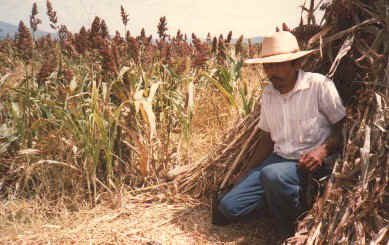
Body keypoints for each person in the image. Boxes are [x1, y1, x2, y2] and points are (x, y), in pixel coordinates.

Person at [215, 31, 346, 237]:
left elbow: (343, 128)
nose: (271, 71)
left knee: (273, 176)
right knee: (229, 207)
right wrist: (247, 172)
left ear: (296, 64)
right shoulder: (269, 94)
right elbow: (267, 138)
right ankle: (286, 199)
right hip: (277, 163)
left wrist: (322, 151)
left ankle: (289, 232)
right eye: (267, 66)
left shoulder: (319, 86)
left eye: (277, 65)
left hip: (310, 165)